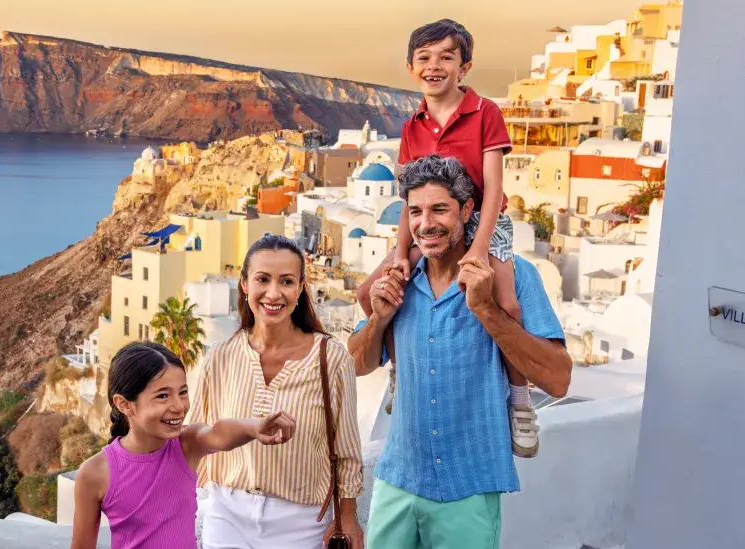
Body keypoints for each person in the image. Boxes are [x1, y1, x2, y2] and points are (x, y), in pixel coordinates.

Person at [348, 155, 572, 548]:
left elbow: (557, 378)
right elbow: (353, 365)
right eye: (415, 211)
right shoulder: (397, 281)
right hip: (398, 480)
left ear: (467, 210)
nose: (426, 224)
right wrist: (379, 320)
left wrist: (486, 309)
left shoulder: (514, 277)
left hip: (469, 485)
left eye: (439, 209)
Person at [355, 18, 540, 457]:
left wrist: (478, 249)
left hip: (480, 221)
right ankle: (400, 371)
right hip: (427, 224)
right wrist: (401, 252)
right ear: (411, 66)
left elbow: (493, 188)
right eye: (424, 58)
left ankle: (520, 401)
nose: (434, 66)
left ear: (465, 66)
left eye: (446, 57)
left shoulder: (484, 113)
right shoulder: (411, 125)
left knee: (508, 303)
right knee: (370, 294)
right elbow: (409, 198)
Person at [187, 234, 364, 549]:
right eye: (262, 279)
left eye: (286, 281)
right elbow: (197, 438)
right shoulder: (220, 356)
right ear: (244, 284)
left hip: (302, 522)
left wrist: (347, 518)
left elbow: (347, 449)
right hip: (227, 515)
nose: (273, 293)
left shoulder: (330, 357)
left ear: (300, 287)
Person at [69, 341, 297, 549]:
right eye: (162, 396)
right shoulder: (95, 473)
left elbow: (219, 433)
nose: (179, 406)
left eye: (183, 392)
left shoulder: (186, 445)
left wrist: (254, 427)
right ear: (125, 405)